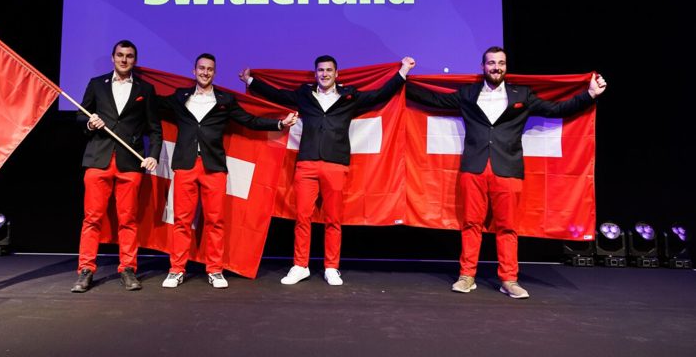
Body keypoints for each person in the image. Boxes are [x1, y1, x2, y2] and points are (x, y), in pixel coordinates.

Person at [405, 46, 607, 299]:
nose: (496, 67)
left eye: (500, 63)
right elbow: (432, 99)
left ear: (506, 66)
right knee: (470, 224)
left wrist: (589, 94)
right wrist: (400, 79)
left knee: (508, 227)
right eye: (491, 63)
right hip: (474, 168)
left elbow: (555, 110)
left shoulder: (521, 94)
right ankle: (467, 276)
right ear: (483, 67)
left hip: (508, 169)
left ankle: (509, 280)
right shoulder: (468, 94)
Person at [239, 55, 415, 285]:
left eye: (329, 70)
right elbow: (278, 95)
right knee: (302, 217)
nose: (324, 74)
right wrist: (251, 81)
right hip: (307, 164)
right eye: (320, 70)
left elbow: (379, 95)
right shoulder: (304, 94)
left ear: (336, 74)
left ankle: (331, 267)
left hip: (335, 164)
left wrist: (403, 71)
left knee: (333, 219)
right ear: (315, 73)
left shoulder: (349, 96)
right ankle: (300, 265)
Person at [158, 53, 297, 289]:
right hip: (185, 165)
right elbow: (151, 104)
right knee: (181, 221)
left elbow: (250, 121)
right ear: (194, 71)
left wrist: (279, 124)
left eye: (209, 69)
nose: (205, 72)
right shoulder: (179, 97)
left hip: (214, 167)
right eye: (201, 68)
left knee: (215, 221)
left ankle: (214, 270)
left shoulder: (225, 100)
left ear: (214, 73)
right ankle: (176, 269)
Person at [71, 40, 162, 293]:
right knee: (92, 219)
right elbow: (80, 115)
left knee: (128, 219)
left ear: (135, 60)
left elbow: (155, 128)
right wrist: (90, 123)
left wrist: (153, 155)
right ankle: (86, 270)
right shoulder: (96, 84)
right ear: (113, 58)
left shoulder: (146, 88)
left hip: (130, 162)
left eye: (129, 56)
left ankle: (128, 269)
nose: (124, 60)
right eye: (120, 55)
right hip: (98, 160)